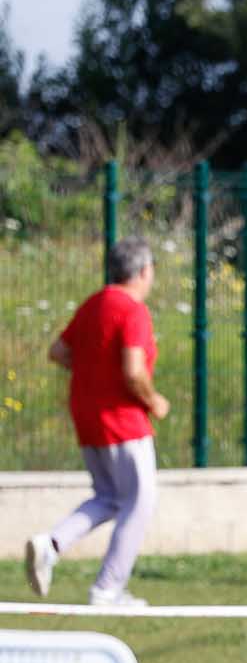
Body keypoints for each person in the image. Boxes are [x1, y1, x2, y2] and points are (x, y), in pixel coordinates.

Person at [24, 236, 168, 607]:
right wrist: (155, 401)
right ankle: (108, 588)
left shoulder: (94, 304)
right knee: (140, 502)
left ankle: (51, 544)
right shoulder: (132, 310)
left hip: (87, 417)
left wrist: (94, 371)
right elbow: (134, 372)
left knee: (109, 497)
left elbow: (59, 352)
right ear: (142, 272)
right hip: (123, 421)